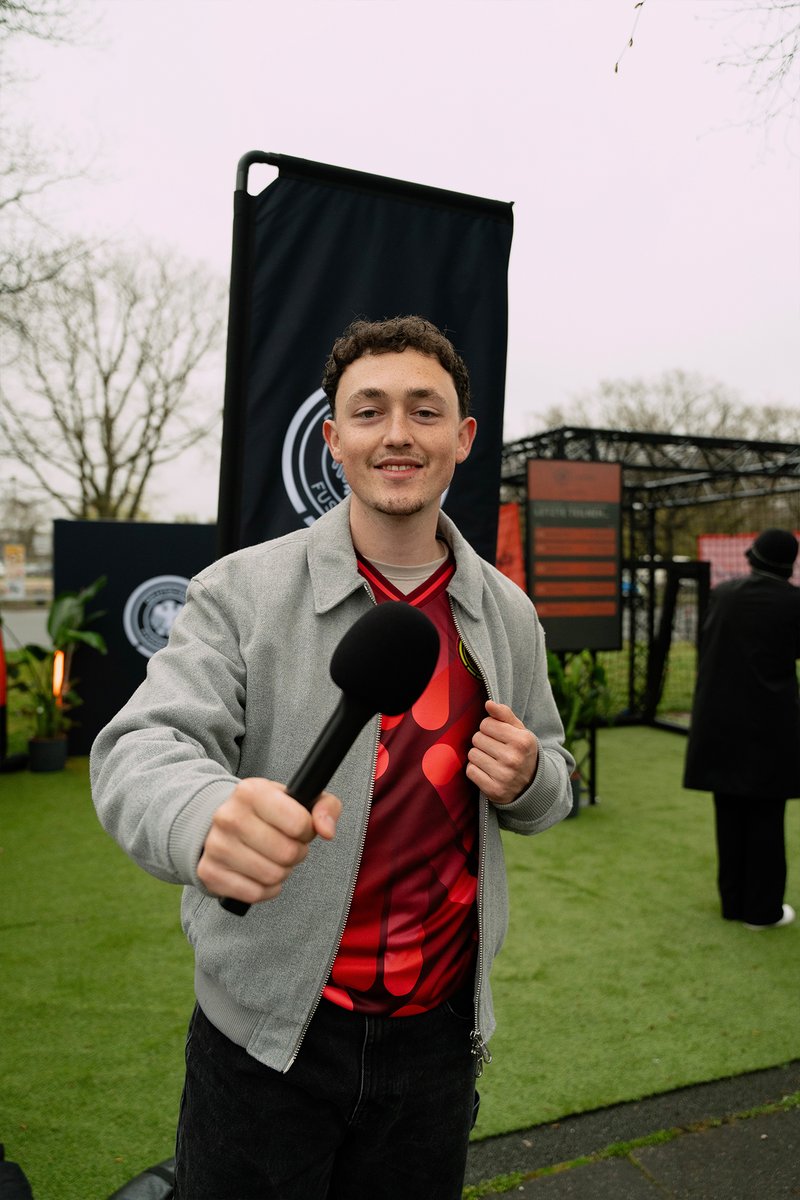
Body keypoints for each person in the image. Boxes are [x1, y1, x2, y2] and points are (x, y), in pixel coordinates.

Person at [90, 315, 573, 1199]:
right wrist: (204, 815)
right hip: (266, 1040)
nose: (398, 433)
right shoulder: (239, 591)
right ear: (333, 439)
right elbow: (143, 745)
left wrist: (531, 777)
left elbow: (553, 769)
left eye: (425, 411)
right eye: (370, 410)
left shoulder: (509, 613)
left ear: (464, 437)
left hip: (439, 1041)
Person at [684, 528, 800, 930]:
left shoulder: (724, 594)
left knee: (729, 813)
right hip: (770, 726)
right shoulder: (793, 602)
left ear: (753, 557)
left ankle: (733, 903)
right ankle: (762, 911)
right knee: (766, 816)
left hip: (719, 722)